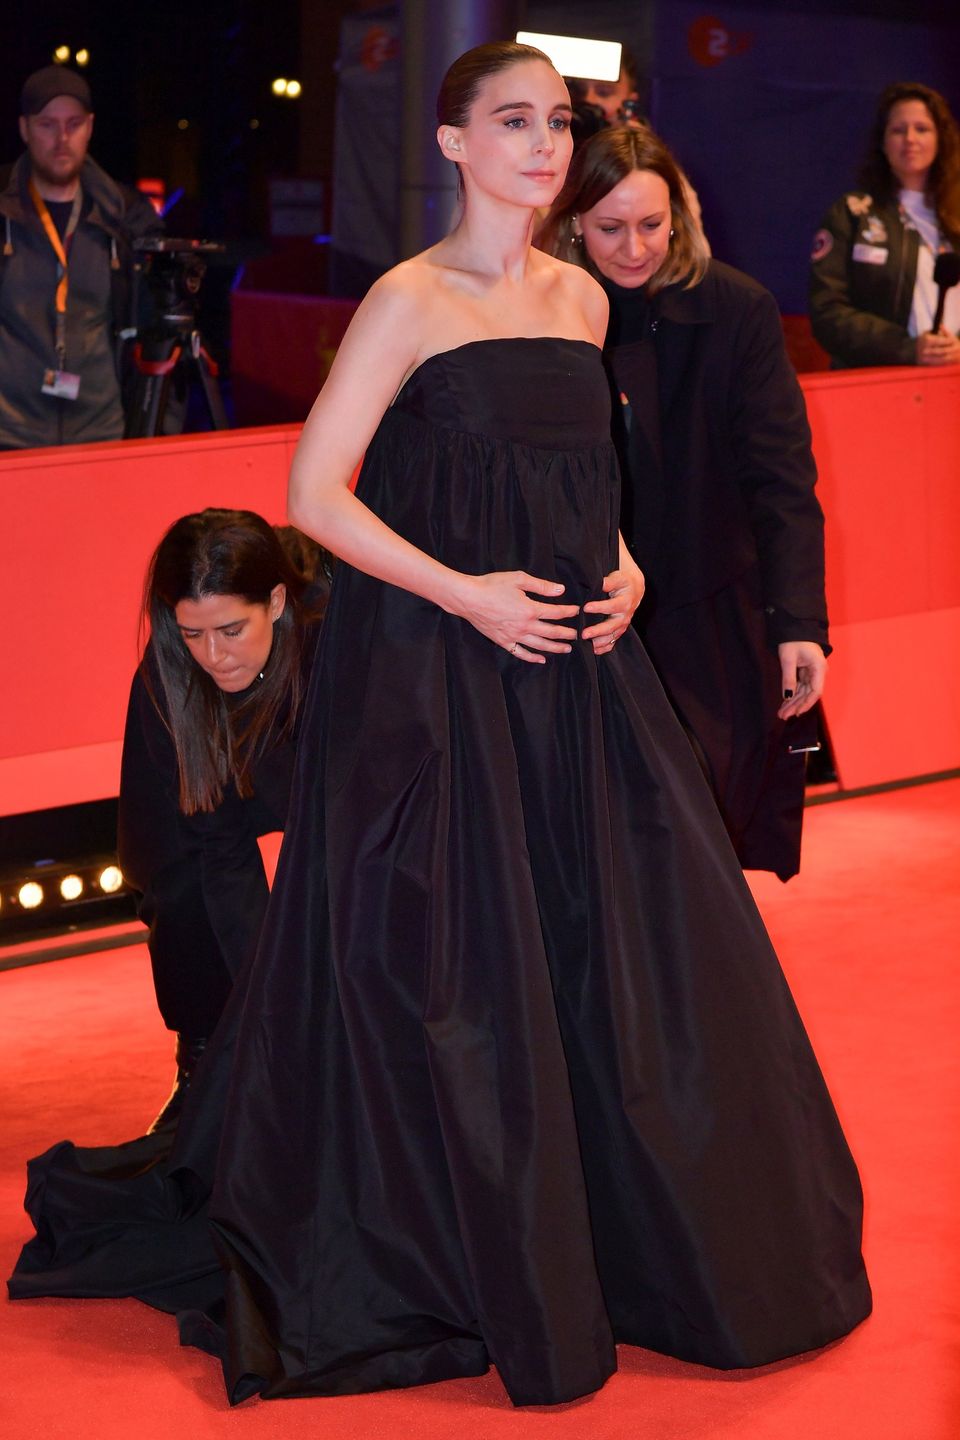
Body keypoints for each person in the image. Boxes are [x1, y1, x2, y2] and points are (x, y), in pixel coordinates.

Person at [10, 43, 871, 1409]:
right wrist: (466, 596)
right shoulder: (407, 301)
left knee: (616, 961)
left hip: (582, 684)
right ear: (455, 143)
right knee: (467, 973)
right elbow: (315, 494)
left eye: (559, 124)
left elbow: (591, 482)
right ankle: (471, 1246)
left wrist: (630, 568)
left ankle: (631, 1245)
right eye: (514, 123)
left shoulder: (584, 300)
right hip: (442, 677)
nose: (543, 146)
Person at [540, 126, 827, 881]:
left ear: (680, 218)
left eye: (652, 225)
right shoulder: (539, 314)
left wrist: (799, 624)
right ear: (572, 222)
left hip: (711, 616)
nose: (634, 248)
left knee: (702, 840)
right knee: (601, 850)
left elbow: (783, 481)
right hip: (585, 619)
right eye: (610, 228)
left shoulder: (738, 310)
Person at [117, 509, 329, 1133]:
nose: (214, 656)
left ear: (278, 602)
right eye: (192, 633)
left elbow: (351, 831)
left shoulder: (332, 646)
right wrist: (260, 1009)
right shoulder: (168, 679)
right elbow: (220, 856)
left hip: (307, 765)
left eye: (233, 629)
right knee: (171, 877)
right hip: (218, 783)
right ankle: (201, 1057)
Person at [0, 65, 163, 449]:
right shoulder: (3, 215)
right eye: (47, 124)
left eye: (73, 123)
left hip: (101, 432)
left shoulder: (125, 219)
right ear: (24, 129)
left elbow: (153, 327)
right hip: (10, 435)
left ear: (90, 127)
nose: (62, 138)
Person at [809, 81, 960, 368]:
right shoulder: (853, 213)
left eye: (922, 129)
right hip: (879, 385)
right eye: (898, 130)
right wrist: (907, 349)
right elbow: (827, 312)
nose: (910, 139)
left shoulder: (955, 217)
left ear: (941, 139)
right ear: (882, 142)